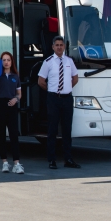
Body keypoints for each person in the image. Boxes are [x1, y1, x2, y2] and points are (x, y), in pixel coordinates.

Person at [38, 36, 81, 169]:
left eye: (61, 45)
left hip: (67, 99)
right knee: (52, 130)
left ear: (64, 47)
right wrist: (53, 91)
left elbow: (75, 78)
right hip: (53, 99)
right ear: (52, 47)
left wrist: (65, 89)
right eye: (57, 45)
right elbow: (41, 81)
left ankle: (68, 159)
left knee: (67, 130)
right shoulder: (48, 62)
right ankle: (52, 160)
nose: (59, 47)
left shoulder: (69, 61)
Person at [0, 52, 23, 174]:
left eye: (8, 60)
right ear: (1, 62)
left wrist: (16, 99)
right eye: (4, 60)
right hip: (0, 105)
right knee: (1, 135)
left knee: (13, 135)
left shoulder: (15, 77)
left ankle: (16, 163)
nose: (6, 62)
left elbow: (19, 94)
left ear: (11, 62)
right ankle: (4, 162)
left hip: (11, 107)